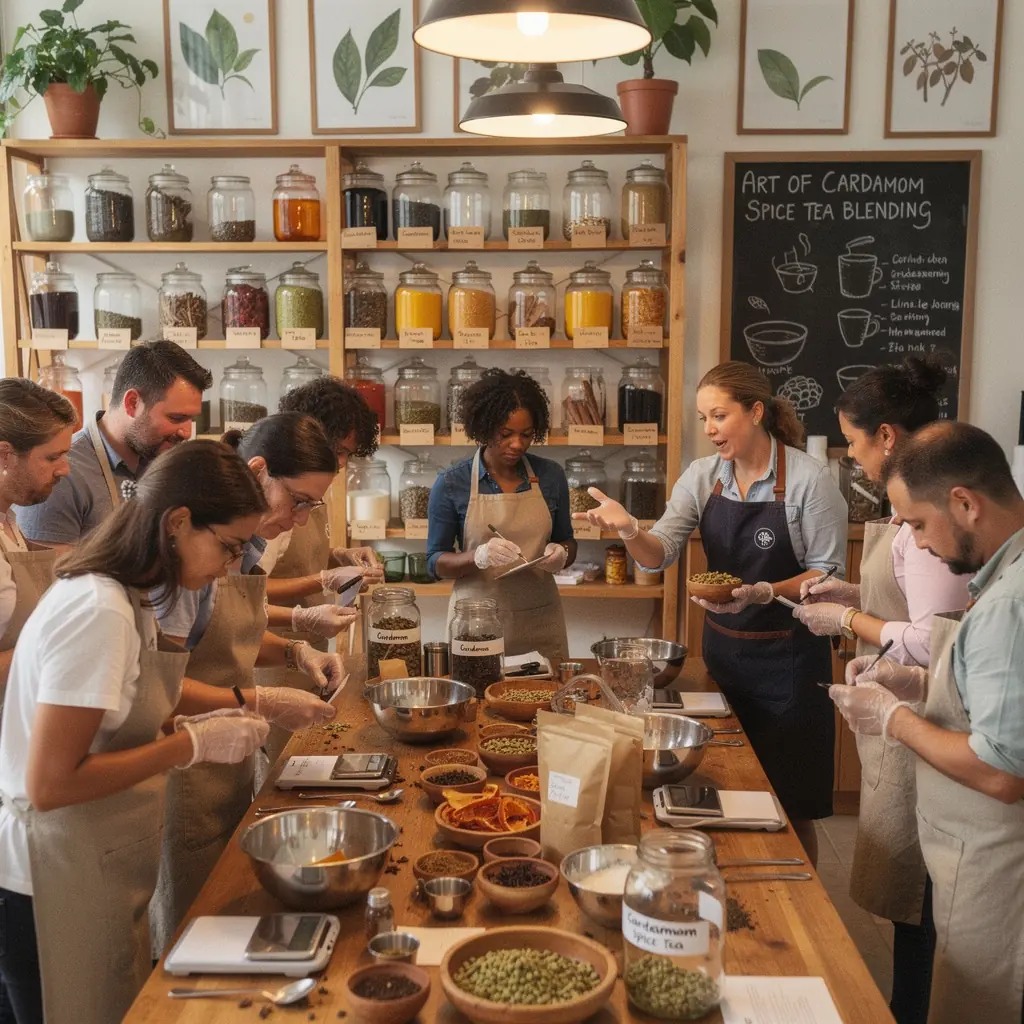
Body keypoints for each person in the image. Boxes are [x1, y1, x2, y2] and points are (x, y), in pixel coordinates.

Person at [0, 441, 310, 1024]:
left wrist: (222, 715)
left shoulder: (132, 599)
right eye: (227, 548)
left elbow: (120, 721)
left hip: (95, 863)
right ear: (178, 522)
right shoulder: (98, 610)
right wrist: (188, 745)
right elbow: (49, 783)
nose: (227, 566)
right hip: (47, 881)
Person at [575, 361, 847, 863]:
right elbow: (660, 554)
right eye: (704, 418)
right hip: (724, 659)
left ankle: (806, 906)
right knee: (722, 787)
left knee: (793, 805)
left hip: (790, 665)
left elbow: (827, 576)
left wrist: (764, 591)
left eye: (719, 415)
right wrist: (629, 528)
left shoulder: (810, 481)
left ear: (756, 412)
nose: (709, 430)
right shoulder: (703, 477)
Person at [791, 358, 970, 1024]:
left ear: (888, 436)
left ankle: (910, 1010)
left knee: (917, 895)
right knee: (904, 891)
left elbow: (933, 638)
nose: (852, 457)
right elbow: (909, 600)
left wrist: (844, 620)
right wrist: (854, 594)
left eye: (855, 443)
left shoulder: (925, 516)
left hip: (927, 720)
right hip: (904, 710)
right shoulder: (907, 511)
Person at [830, 422, 1024, 1024]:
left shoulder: (1009, 605)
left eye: (916, 523)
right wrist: (917, 685)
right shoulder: (1000, 577)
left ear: (965, 503)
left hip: (996, 868)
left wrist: (895, 720)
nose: (914, 541)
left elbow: (1002, 771)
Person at [151, 414, 344, 954]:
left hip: (227, 751)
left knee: (229, 918)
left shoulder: (244, 543)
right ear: (259, 471)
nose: (302, 520)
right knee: (193, 936)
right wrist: (258, 697)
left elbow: (223, 635)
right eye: (299, 501)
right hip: (185, 765)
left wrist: (294, 647)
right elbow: (159, 685)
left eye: (314, 506)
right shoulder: (191, 552)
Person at [427, 369, 575, 666]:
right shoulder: (452, 483)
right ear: (483, 427)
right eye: (505, 434)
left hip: (540, 620)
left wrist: (562, 555)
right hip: (475, 625)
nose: (518, 444)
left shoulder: (550, 476)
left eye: (527, 434)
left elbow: (567, 540)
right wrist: (478, 557)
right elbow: (435, 563)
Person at [14, 340, 211, 547]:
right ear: (132, 403)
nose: (187, 432)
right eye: (176, 418)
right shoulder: (61, 476)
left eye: (192, 419)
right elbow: (53, 577)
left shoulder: (162, 461)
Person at [269, 376, 383, 645]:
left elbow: (298, 557)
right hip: (269, 651)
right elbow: (242, 592)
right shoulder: (276, 495)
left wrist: (341, 558)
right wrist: (324, 580)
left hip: (310, 645)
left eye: (348, 454)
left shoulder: (319, 483)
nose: (342, 463)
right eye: (338, 450)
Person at [0, 382, 76, 710]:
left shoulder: (9, 522)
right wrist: (57, 645)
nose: (65, 469)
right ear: (4, 455)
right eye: (53, 457)